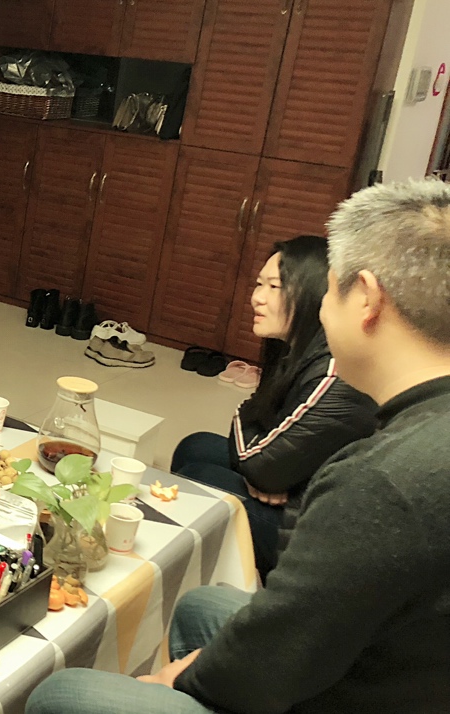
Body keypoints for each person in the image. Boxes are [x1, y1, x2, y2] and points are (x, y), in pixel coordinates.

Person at [26, 178, 450, 713]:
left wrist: (181, 677)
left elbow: (273, 659)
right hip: (383, 666)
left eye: (330, 289)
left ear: (366, 298)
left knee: (62, 694)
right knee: (202, 605)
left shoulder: (383, 480)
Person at [172, 235, 376, 577]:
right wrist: (265, 471)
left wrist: (267, 473)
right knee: (195, 447)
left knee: (199, 479)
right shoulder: (297, 348)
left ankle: (206, 576)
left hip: (319, 532)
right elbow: (256, 420)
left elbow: (256, 458)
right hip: (302, 483)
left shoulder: (335, 372)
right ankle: (194, 565)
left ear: (314, 293)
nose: (257, 297)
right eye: (258, 284)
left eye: (274, 287)